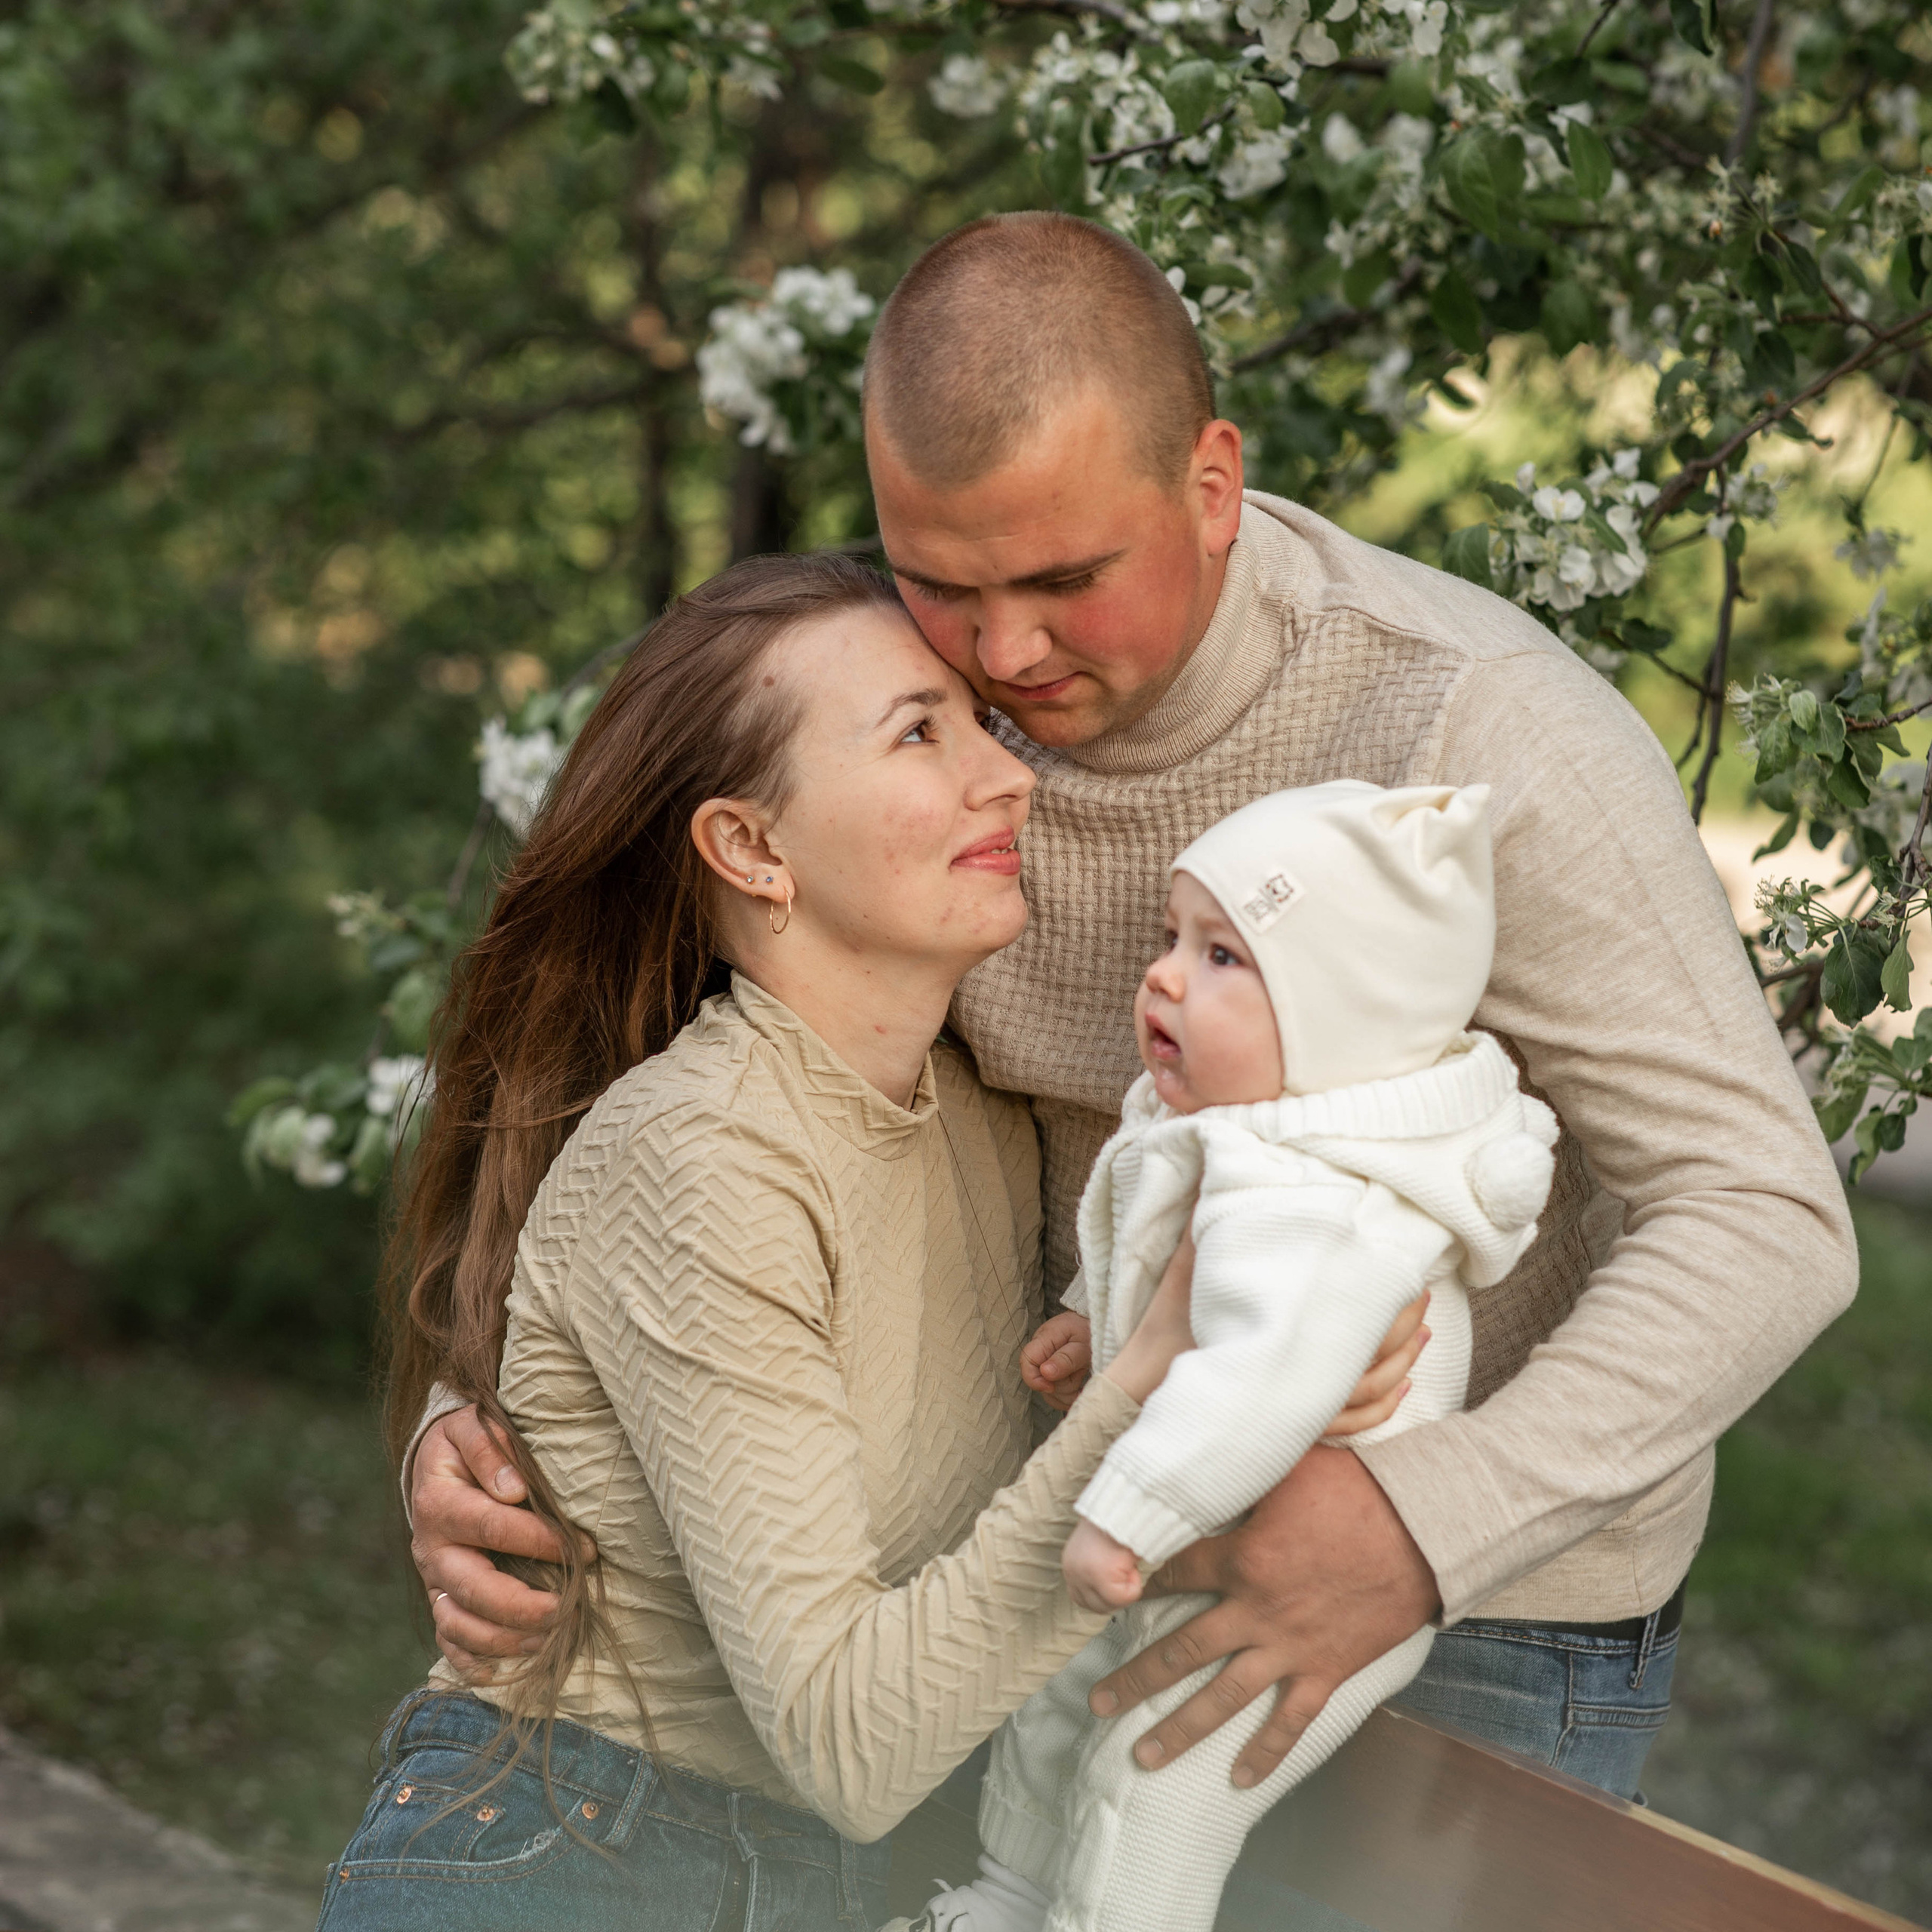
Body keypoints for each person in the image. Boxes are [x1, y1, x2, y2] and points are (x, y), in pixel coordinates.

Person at [414, 212, 1856, 1823]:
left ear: (1213, 485)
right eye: (943, 582)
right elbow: (680, 1057)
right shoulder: (903, 703)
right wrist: (488, 1407)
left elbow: (1761, 1210)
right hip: (1039, 1555)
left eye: (1064, 581)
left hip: (1473, 1597)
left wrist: (1416, 1522)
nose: (1005, 654)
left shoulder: (1466, 724)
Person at [319, 553, 1411, 1931]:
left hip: (832, 1883)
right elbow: (853, 1745)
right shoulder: (704, 1152)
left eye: (978, 723)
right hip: (582, 1856)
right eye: (918, 732)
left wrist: (1297, 1351)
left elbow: (999, 1558)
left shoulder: (976, 1126)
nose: (1008, 777)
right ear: (754, 850)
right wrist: (1153, 1374)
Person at [909, 782, 1558, 1932]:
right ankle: (1010, 1896)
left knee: (1158, 1779)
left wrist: (1130, 1515)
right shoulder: (1236, 1124)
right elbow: (1151, 1241)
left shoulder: (1321, 1203)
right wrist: (1090, 1322)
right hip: (1211, 1519)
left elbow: (1265, 1383)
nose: (1162, 975)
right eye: (1173, 940)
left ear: (1339, 1019)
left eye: (1222, 957)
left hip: (1310, 1572)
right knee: (1063, 1697)